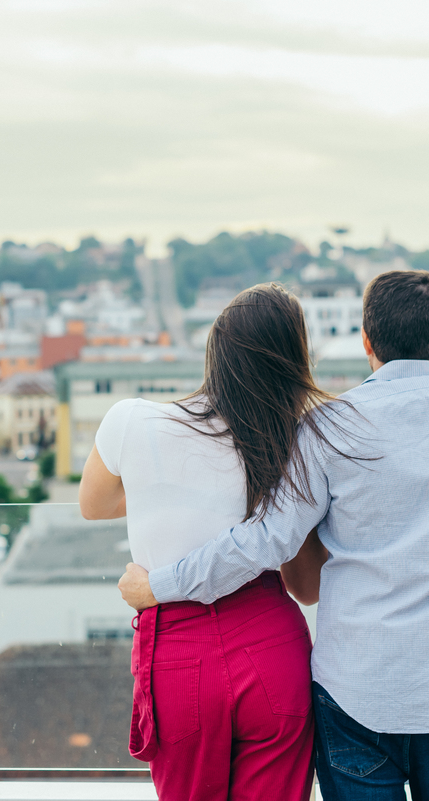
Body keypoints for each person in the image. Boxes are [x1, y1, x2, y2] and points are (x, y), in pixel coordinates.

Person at [119, 270, 429, 801]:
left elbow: (266, 540)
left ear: (366, 340)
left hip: (359, 691)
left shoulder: (330, 428)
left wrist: (162, 585)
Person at [80, 283, 362, 801]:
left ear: (215, 352)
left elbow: (93, 504)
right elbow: (306, 587)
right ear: (294, 361)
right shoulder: (291, 442)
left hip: (177, 653)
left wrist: (158, 493)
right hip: (270, 647)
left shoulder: (130, 420)